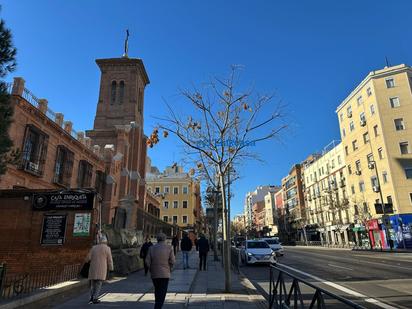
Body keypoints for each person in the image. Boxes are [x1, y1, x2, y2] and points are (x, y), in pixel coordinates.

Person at [146, 233, 175, 309]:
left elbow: (147, 261)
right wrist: (170, 268)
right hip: (165, 273)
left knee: (157, 289)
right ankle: (158, 306)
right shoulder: (169, 248)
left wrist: (151, 269)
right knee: (163, 291)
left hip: (155, 273)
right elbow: (173, 261)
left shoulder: (151, 248)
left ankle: (157, 304)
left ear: (157, 239)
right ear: (165, 239)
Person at [86, 234, 114, 304]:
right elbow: (110, 260)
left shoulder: (94, 248)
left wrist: (87, 261)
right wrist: (111, 269)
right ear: (105, 242)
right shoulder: (107, 248)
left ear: (100, 241)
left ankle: (91, 297)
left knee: (92, 284)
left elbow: (88, 258)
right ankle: (95, 298)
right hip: (102, 269)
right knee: (98, 284)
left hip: (93, 268)